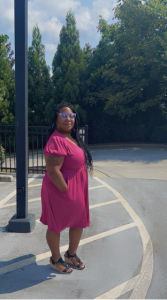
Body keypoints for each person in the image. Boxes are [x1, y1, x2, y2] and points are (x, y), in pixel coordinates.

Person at [40, 102, 93, 274]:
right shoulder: (56, 140)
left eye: (71, 115)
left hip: (76, 187)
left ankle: (71, 254)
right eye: (63, 115)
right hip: (60, 189)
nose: (68, 119)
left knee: (78, 222)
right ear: (56, 119)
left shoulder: (72, 136)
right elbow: (53, 171)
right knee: (55, 225)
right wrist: (66, 191)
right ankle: (55, 259)